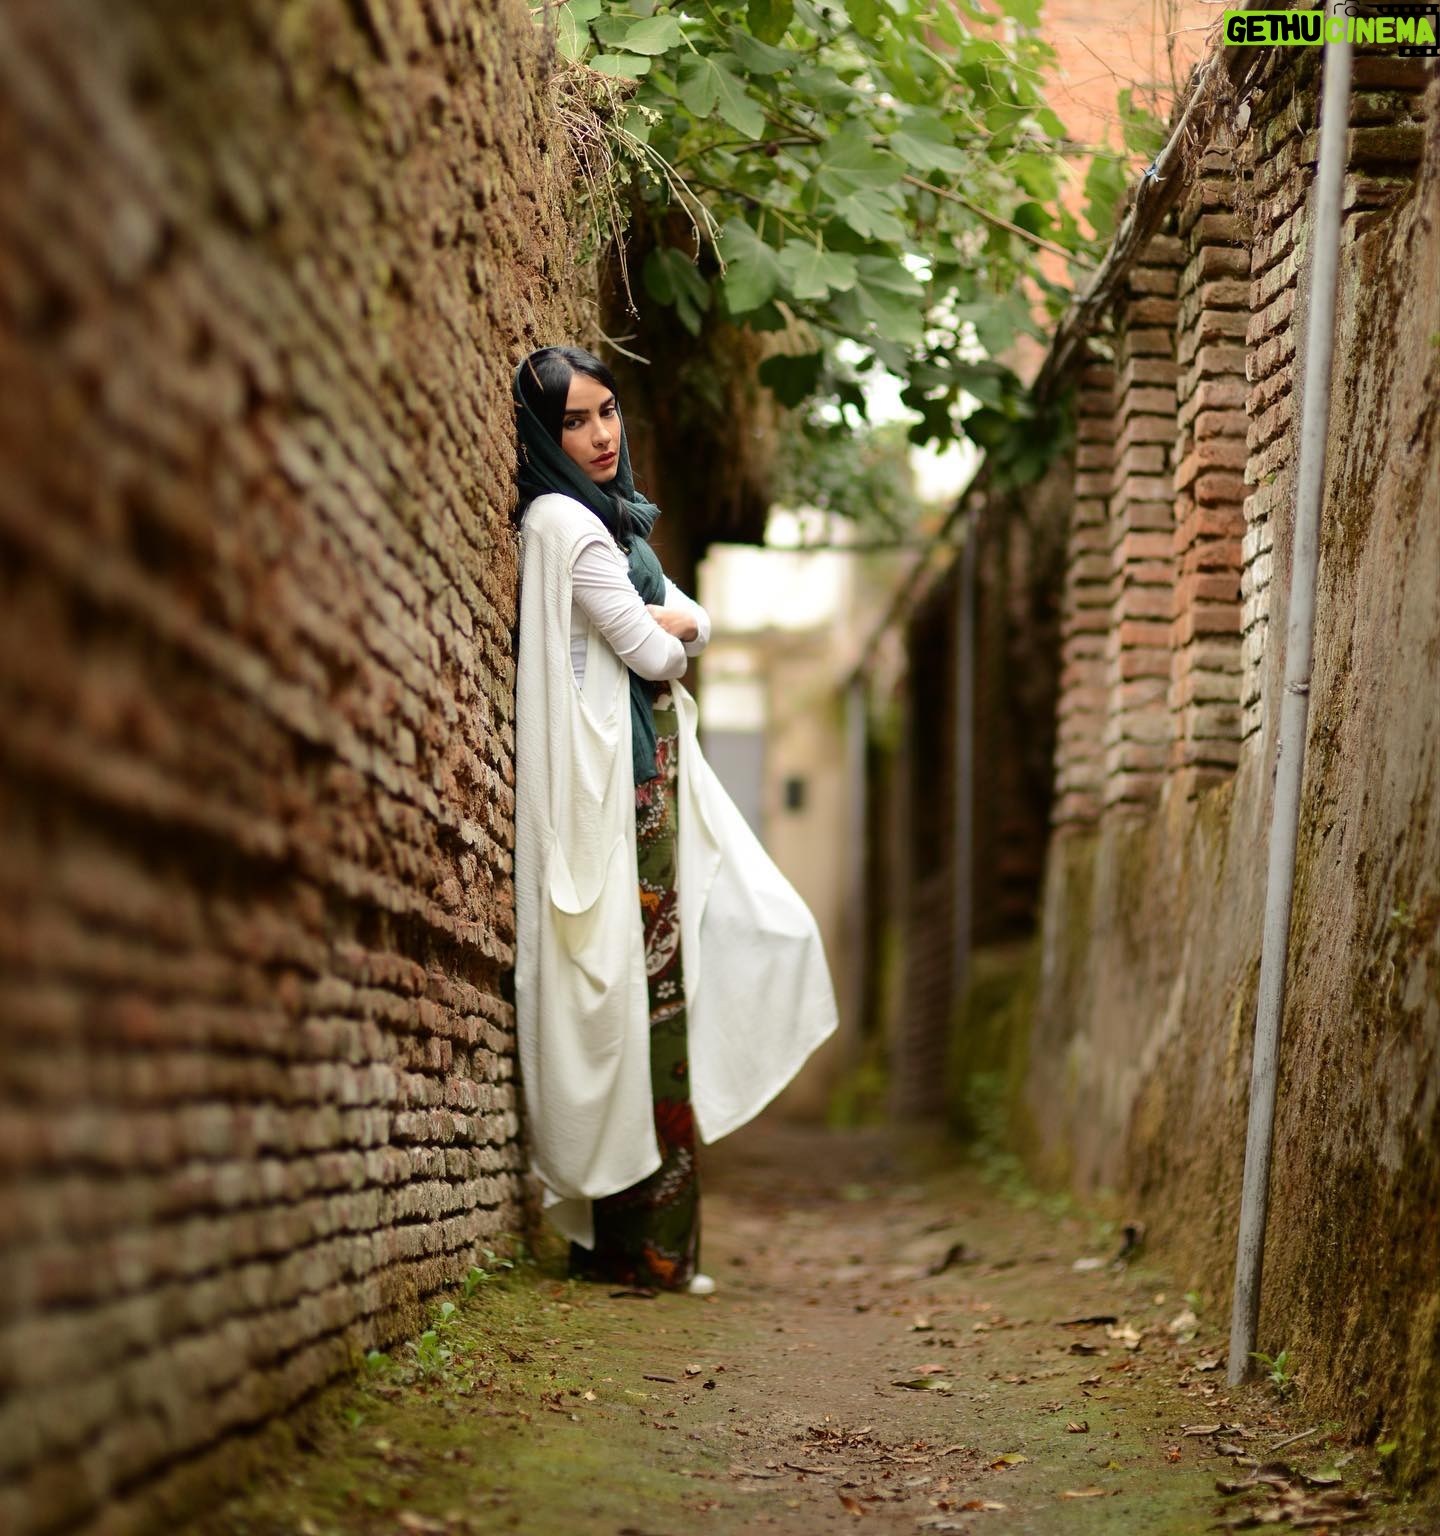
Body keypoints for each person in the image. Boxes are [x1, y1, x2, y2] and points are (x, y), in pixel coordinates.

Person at [511, 344, 838, 1296]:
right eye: (574, 422)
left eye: (607, 411)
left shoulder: (615, 524)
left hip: (643, 789)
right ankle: (641, 1250)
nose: (599, 435)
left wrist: (668, 625)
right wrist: (670, 630)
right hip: (621, 798)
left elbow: (687, 620)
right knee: (645, 1015)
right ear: (545, 436)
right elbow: (660, 656)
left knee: (663, 1007)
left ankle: (650, 1246)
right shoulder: (572, 526)